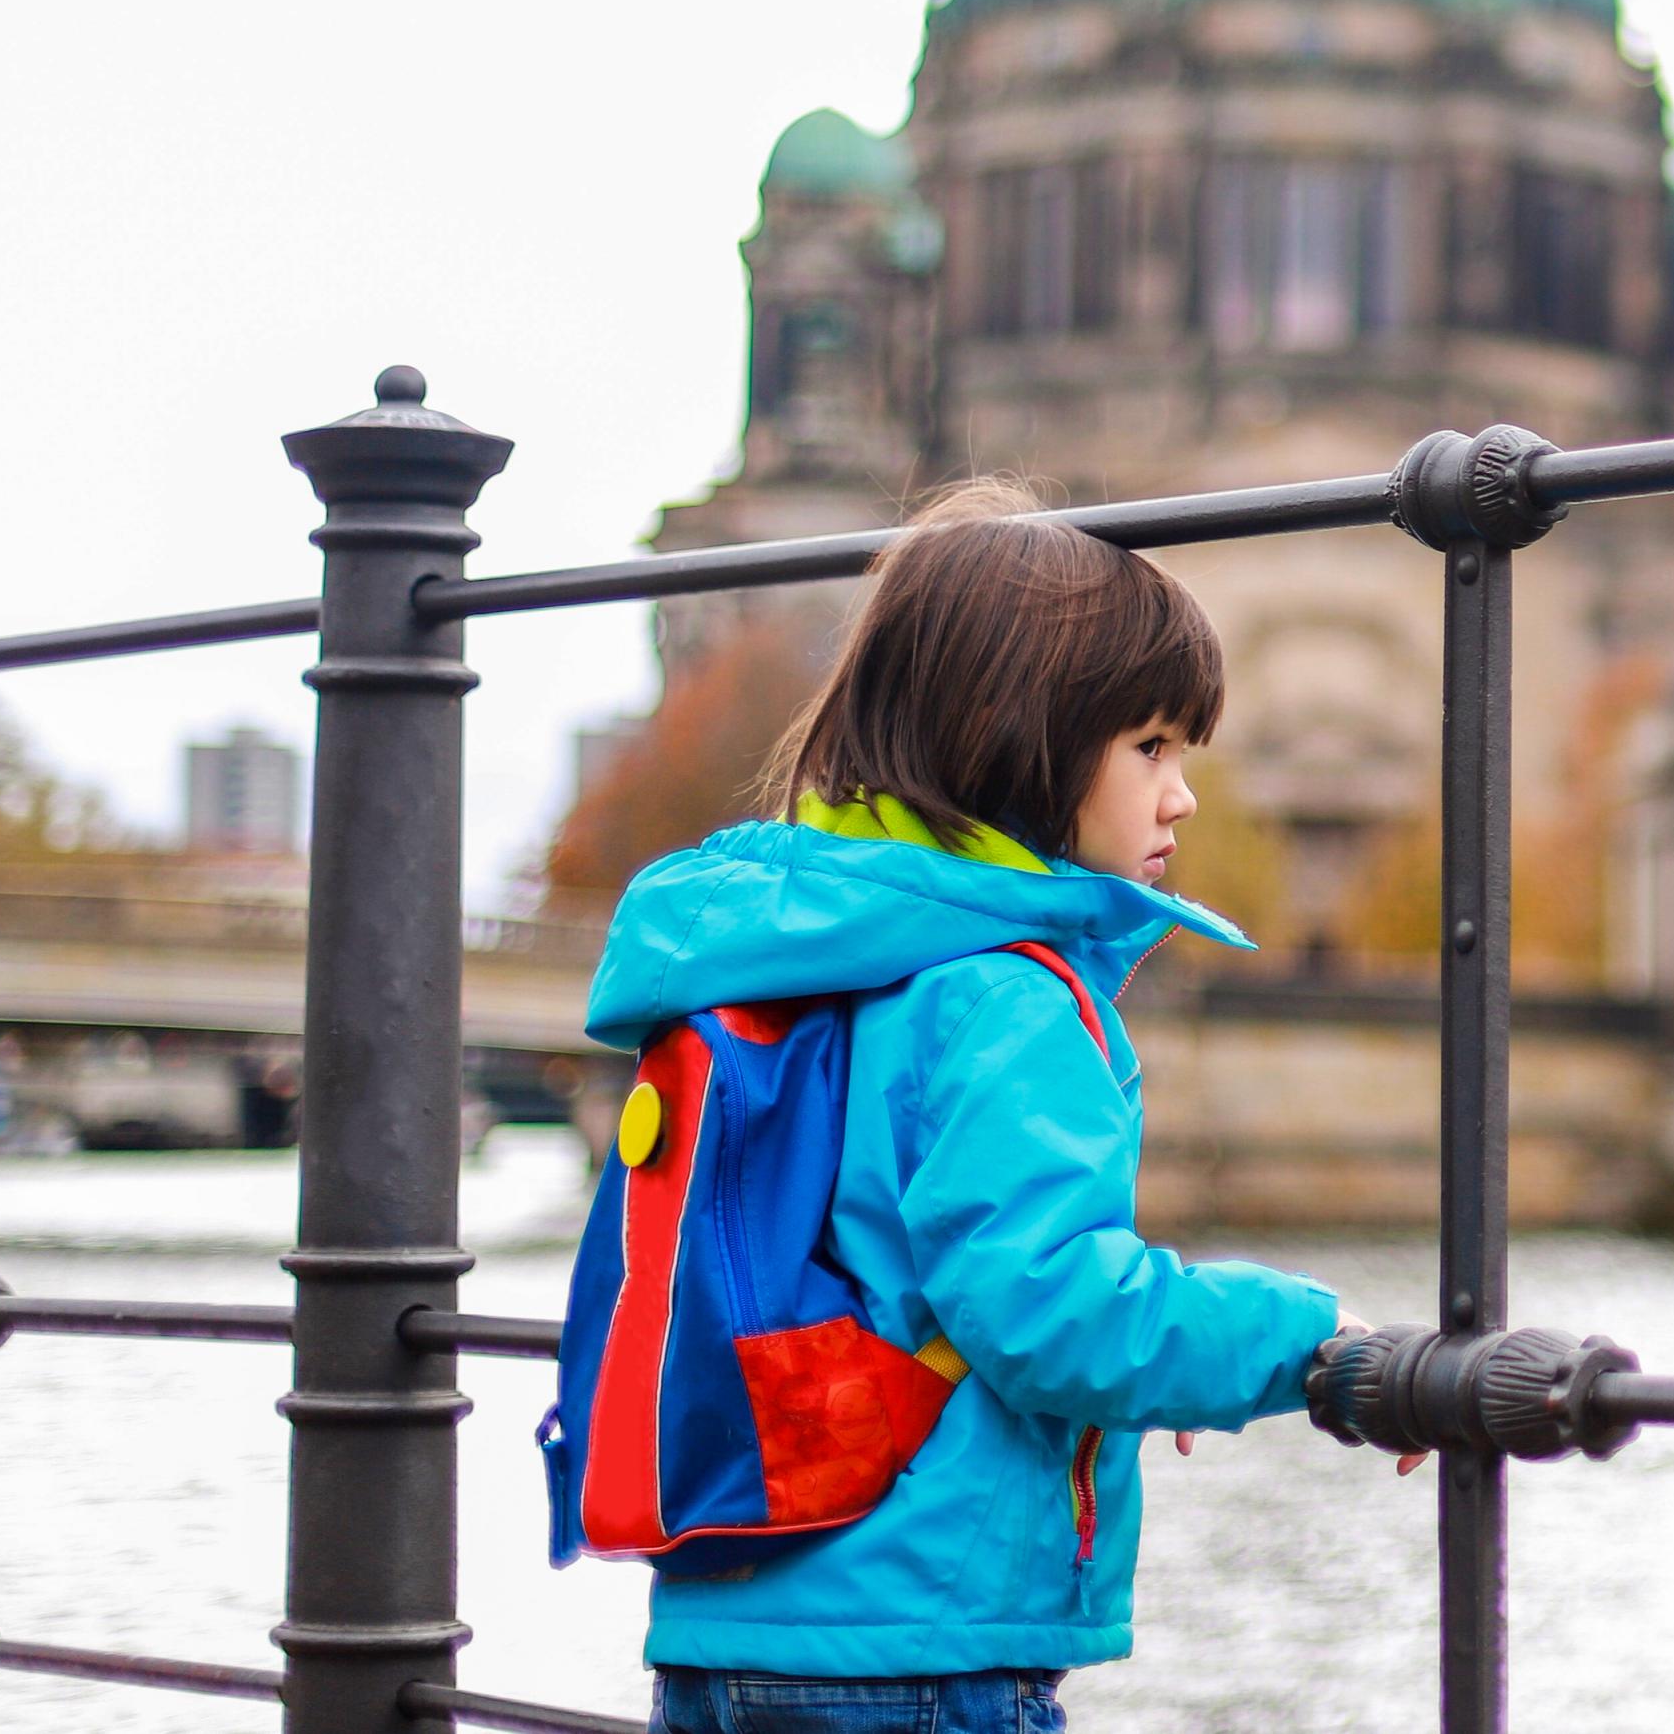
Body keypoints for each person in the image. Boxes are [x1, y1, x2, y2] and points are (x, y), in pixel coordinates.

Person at [581, 480, 1369, 1734]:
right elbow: (1050, 1312)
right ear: (1023, 738)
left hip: (723, 1631)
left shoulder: (782, 955)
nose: (1182, 796)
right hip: (919, 1640)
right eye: (1150, 748)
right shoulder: (1004, 997)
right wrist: (1302, 1341)